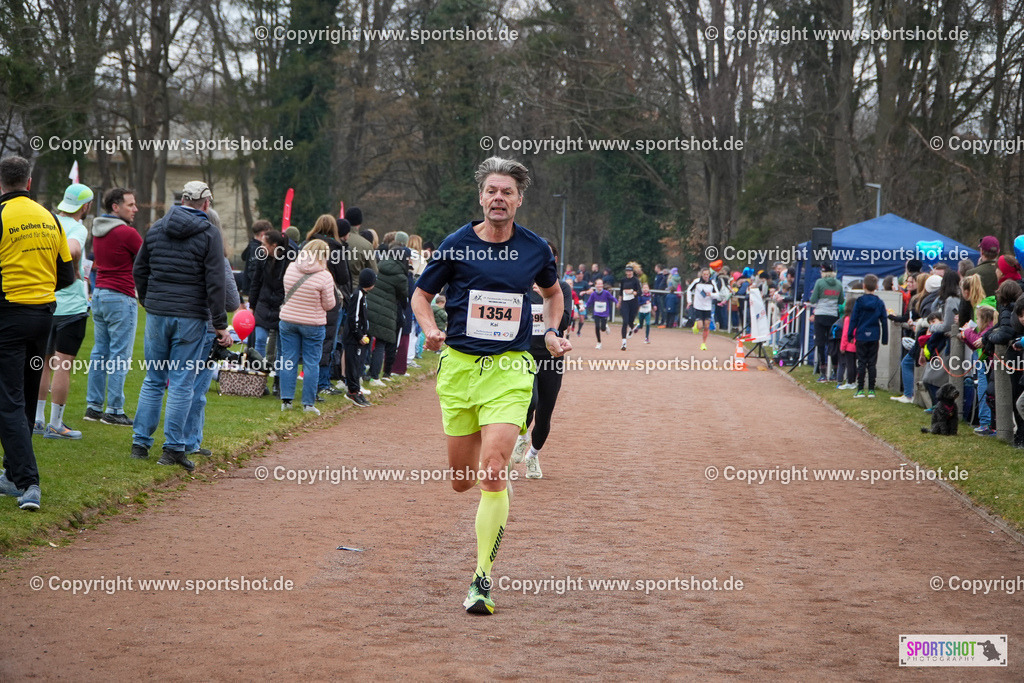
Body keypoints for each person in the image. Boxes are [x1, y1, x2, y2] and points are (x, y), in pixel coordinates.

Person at [410, 156, 571, 615]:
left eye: (508, 192)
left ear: (519, 199)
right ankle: (489, 490)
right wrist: (428, 328)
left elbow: (553, 292)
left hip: (511, 369)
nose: (499, 198)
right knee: (463, 480)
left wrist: (551, 332)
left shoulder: (535, 248)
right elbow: (421, 296)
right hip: (459, 369)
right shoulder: (456, 244)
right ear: (481, 197)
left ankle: (481, 580)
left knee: (494, 467)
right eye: (492, 191)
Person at [131, 181, 231, 470]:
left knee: (153, 379)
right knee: (182, 383)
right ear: (206, 204)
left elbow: (140, 269)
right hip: (190, 316)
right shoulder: (210, 233)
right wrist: (221, 325)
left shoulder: (157, 228)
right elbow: (215, 282)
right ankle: (173, 448)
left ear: (183, 200)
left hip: (158, 313)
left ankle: (140, 443)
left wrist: (149, 301)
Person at [0, 155, 76, 511]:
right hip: (43, 317)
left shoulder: (1, 216)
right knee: (29, 396)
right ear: (29, 183)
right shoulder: (51, 219)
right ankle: (12, 475)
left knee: (9, 401)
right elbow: (67, 276)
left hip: (9, 317)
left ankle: (28, 482)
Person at [35, 183, 94, 439]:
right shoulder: (78, 228)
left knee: (43, 364)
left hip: (46, 302)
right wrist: (73, 269)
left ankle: (37, 420)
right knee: (62, 365)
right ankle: (56, 424)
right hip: (71, 306)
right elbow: (73, 249)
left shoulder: (47, 221)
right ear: (86, 206)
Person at [512, 241, 573, 479]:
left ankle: (533, 456)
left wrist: (545, 298)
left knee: (545, 413)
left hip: (551, 357)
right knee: (530, 402)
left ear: (553, 261)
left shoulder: (562, 288)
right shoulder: (521, 286)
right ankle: (522, 436)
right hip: (524, 355)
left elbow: (565, 322)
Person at [182, 208, 240, 456]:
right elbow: (232, 301)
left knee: (178, 385)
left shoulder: (184, 253)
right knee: (197, 389)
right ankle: (189, 441)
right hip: (205, 327)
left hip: (178, 323)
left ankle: (171, 439)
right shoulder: (218, 259)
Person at [84, 187, 141, 426]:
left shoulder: (97, 230)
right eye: (130, 205)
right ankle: (115, 410)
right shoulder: (127, 233)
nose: (135, 209)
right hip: (121, 296)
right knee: (120, 355)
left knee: (100, 352)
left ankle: (94, 407)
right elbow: (146, 260)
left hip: (100, 295)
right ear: (115, 207)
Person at [277, 239, 337, 415]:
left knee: (288, 359)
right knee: (311, 363)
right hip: (313, 323)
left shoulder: (291, 267)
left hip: (288, 320)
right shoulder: (325, 275)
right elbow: (329, 304)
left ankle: (286, 400)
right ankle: (308, 404)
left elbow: (286, 290)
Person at [305, 215, 351, 398]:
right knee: (327, 341)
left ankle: (308, 381)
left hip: (306, 296)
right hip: (328, 296)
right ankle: (322, 382)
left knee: (309, 341)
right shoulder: (336, 248)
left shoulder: (306, 244)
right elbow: (343, 278)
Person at [249, 230, 293, 395]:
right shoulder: (262, 259)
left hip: (282, 306)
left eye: (264, 244)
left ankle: (278, 381)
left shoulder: (290, 260)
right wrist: (252, 306)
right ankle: (259, 379)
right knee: (259, 340)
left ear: (274, 246)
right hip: (263, 303)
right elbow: (256, 281)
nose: (261, 246)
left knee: (281, 349)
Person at [366, 244, 409, 385]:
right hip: (387, 310)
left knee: (365, 341)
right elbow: (404, 295)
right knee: (381, 343)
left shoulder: (379, 264)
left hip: (370, 305)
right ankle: (374, 377)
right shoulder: (401, 276)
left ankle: (362, 373)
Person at [849, 274, 888, 398]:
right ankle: (871, 390)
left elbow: (853, 319)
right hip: (874, 335)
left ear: (864, 286)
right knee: (872, 363)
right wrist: (885, 338)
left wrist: (850, 334)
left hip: (861, 335)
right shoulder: (879, 302)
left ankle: (860, 389)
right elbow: (884, 320)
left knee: (861, 363)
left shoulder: (859, 301)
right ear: (877, 286)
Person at [341, 269, 375, 407]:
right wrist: (358, 335)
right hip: (353, 338)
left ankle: (356, 389)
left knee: (357, 364)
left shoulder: (363, 294)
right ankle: (352, 391)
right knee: (352, 364)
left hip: (359, 337)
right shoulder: (358, 295)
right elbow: (353, 317)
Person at [962, 305, 996, 435]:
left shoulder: (988, 330)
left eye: (978, 318)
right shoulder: (985, 331)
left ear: (984, 319)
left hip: (987, 367)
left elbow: (977, 341)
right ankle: (985, 423)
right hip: (983, 365)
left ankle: (986, 423)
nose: (977, 320)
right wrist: (966, 336)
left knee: (985, 391)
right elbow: (975, 345)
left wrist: (966, 332)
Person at [809, 267, 844, 382]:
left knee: (820, 343)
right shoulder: (839, 283)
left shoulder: (819, 282)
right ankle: (834, 372)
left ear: (823, 273)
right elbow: (841, 301)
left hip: (820, 315)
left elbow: (813, 300)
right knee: (833, 343)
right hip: (833, 316)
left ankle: (823, 373)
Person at [686, 268, 717, 350]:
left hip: (707, 307)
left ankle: (703, 343)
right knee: (700, 326)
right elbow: (689, 290)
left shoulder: (712, 283)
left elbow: (718, 294)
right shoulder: (697, 282)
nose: (706, 276)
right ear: (701, 275)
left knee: (707, 326)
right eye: (704, 274)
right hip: (698, 306)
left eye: (707, 274)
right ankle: (696, 326)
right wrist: (689, 301)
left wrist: (711, 294)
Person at [241, 219, 271, 297]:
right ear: (263, 234)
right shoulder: (257, 250)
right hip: (253, 291)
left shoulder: (251, 246)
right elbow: (253, 272)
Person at [585, 279, 617, 349]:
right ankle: (599, 342)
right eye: (598, 284)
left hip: (604, 313)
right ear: (595, 285)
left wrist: (617, 302)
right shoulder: (593, 294)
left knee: (602, 329)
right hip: (596, 313)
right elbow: (589, 302)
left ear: (602, 285)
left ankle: (605, 326)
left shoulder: (606, 293)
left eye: (601, 284)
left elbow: (612, 298)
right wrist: (584, 307)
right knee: (597, 326)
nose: (599, 285)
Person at [618, 264, 642, 350]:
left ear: (632, 272)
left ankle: (632, 328)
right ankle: (624, 343)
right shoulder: (623, 280)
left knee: (630, 320)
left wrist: (632, 292)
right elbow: (621, 292)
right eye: (627, 271)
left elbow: (640, 292)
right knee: (625, 321)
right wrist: (619, 302)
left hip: (633, 302)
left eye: (630, 271)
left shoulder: (635, 280)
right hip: (625, 302)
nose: (628, 273)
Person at [837, 294, 857, 389]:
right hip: (857, 344)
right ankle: (854, 381)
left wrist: (842, 346)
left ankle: (850, 382)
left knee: (850, 365)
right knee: (854, 364)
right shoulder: (858, 318)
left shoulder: (847, 319)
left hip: (849, 345)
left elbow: (845, 334)